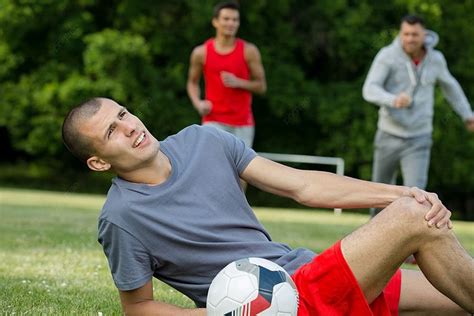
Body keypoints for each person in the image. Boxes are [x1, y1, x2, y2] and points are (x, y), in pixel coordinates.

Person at [61, 97, 473, 315]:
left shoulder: (204, 140)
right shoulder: (121, 218)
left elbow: (305, 186)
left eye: (124, 112)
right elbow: (138, 308)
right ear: (99, 162)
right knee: (414, 216)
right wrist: (228, 313)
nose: (131, 126)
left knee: (455, 288)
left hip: (310, 272)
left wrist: (399, 192)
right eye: (113, 130)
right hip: (285, 304)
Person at [363, 15, 474, 217]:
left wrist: (468, 115)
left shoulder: (436, 59)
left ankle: (411, 245)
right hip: (389, 133)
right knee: (378, 194)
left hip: (419, 137)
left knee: (418, 198)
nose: (410, 39)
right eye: (406, 34)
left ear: (424, 35)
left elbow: (451, 88)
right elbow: (369, 89)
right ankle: (373, 243)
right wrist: (392, 99)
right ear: (400, 33)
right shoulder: (387, 55)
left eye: (415, 34)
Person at [186, 1, 266, 148]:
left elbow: (261, 86)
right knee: (212, 166)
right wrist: (198, 103)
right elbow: (192, 82)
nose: (231, 23)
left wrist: (239, 82)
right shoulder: (201, 52)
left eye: (235, 20)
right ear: (215, 22)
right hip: (213, 120)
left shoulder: (249, 51)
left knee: (239, 170)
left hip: (243, 123)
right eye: (226, 19)